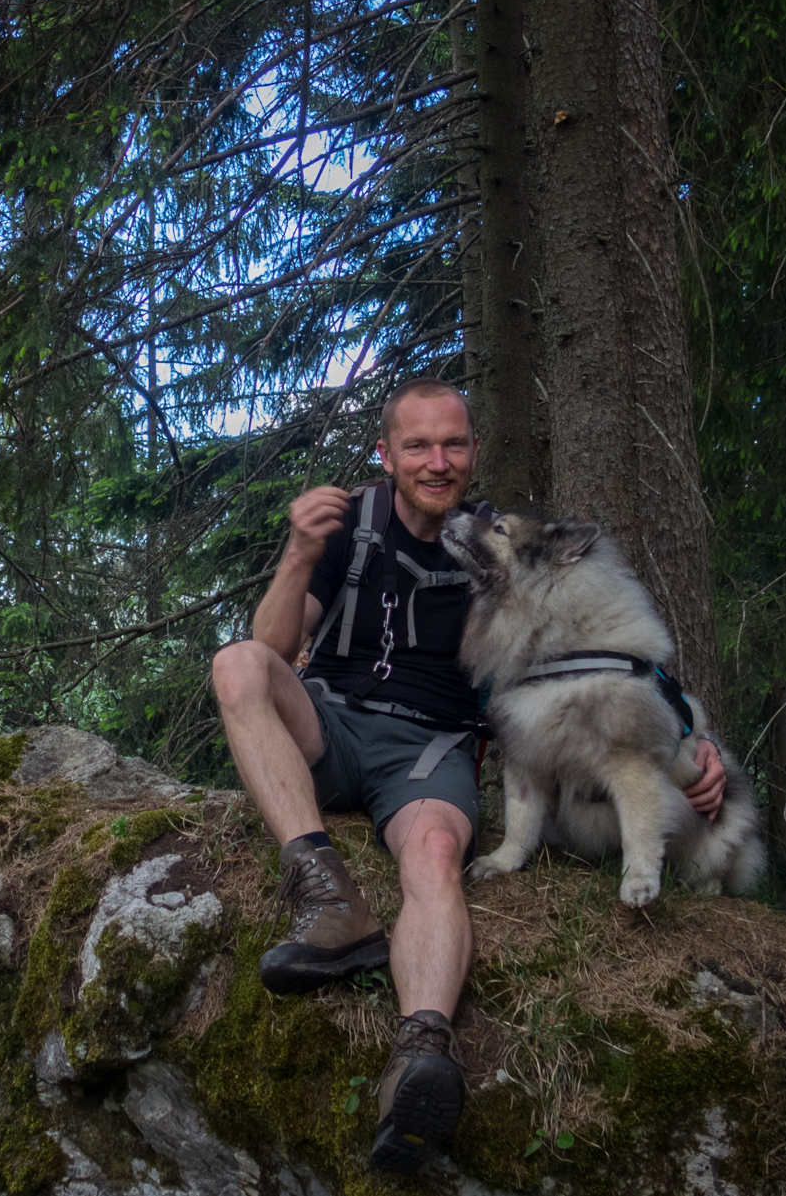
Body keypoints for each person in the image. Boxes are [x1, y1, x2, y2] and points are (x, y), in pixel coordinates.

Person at [209, 377, 725, 1174]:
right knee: (239, 664)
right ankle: (323, 891)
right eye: (417, 445)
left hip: (432, 750)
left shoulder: (502, 548)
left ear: (473, 451)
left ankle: (420, 1056)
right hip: (332, 722)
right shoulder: (351, 525)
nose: (437, 461)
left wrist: (690, 735)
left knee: (436, 859)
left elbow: (606, 653)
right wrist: (302, 550)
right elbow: (276, 647)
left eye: (452, 444)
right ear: (387, 454)